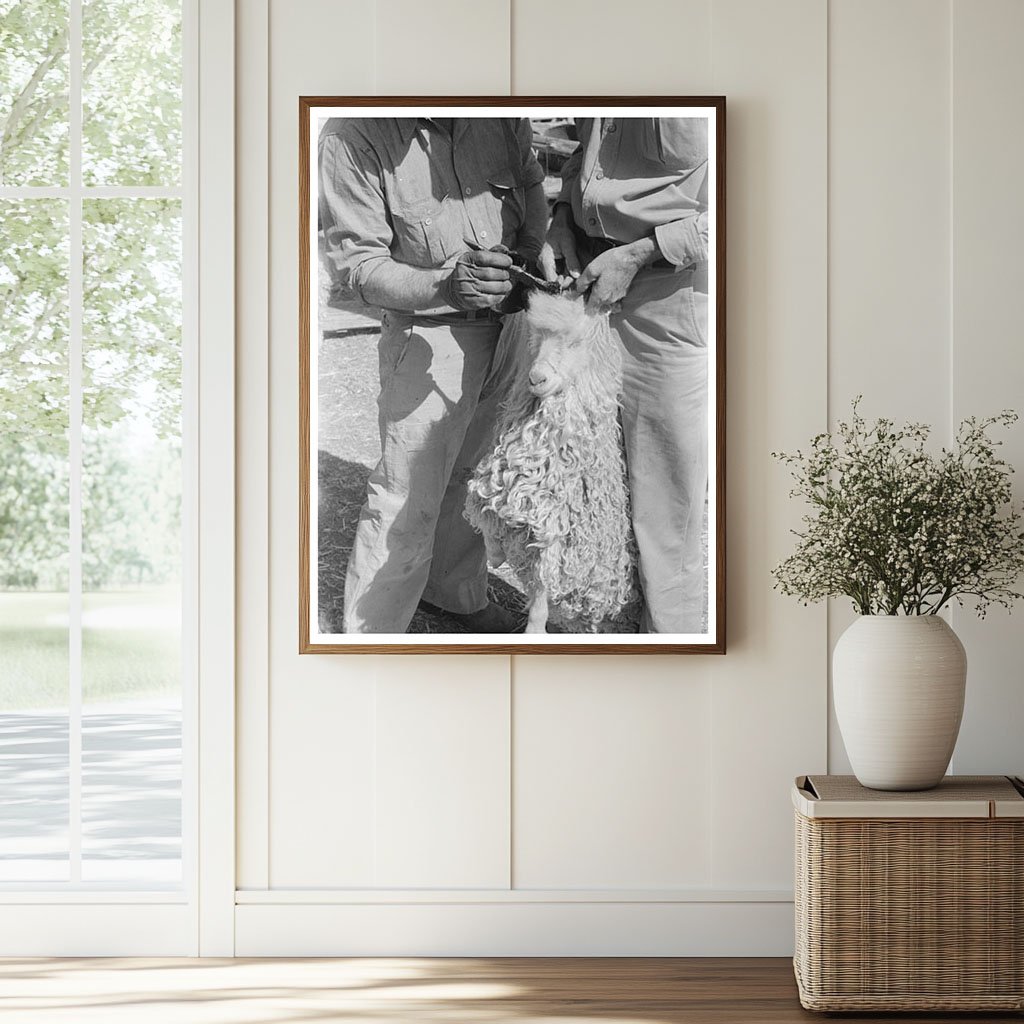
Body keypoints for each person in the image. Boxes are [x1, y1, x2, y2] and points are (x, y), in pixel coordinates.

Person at [320, 116, 547, 633]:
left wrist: (528, 256)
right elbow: (357, 266)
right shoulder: (352, 135)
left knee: (475, 474)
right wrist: (445, 287)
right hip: (430, 332)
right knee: (405, 496)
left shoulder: (500, 113)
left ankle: (455, 594)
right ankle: (371, 637)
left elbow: (531, 183)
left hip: (512, 322)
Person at [540, 117, 710, 633]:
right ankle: (603, 638)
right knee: (586, 481)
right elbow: (585, 156)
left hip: (667, 291)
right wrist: (564, 215)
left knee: (663, 502)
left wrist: (640, 252)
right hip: (589, 282)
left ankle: (672, 651)